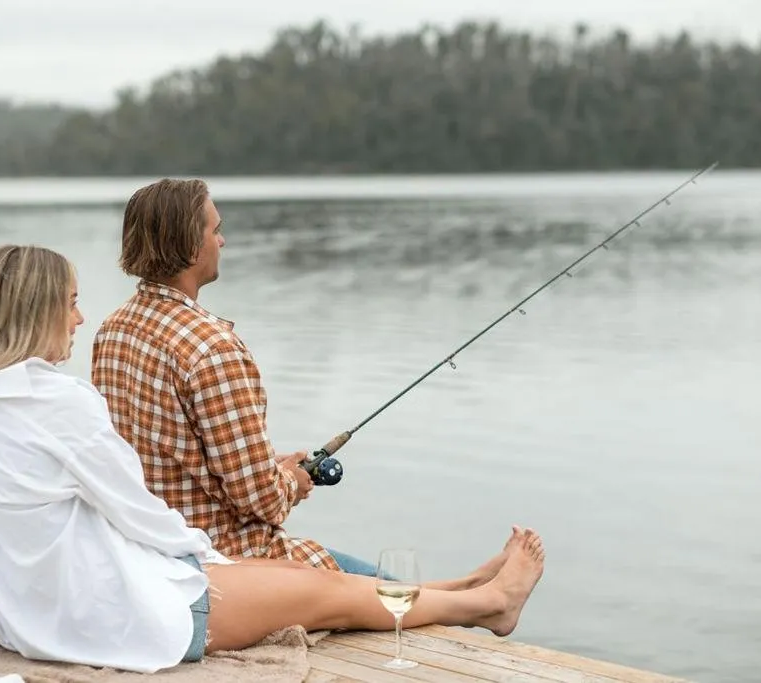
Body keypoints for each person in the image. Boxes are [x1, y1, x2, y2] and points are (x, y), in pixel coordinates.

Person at [0, 244, 545, 672]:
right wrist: (210, 560)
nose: (79, 319)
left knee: (318, 585)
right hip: (128, 615)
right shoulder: (58, 405)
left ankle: (467, 588)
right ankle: (489, 600)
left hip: (38, 622)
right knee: (333, 595)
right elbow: (135, 512)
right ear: (37, 310)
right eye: (71, 303)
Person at [91, 179, 499, 582]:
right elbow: (262, 500)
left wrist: (269, 466)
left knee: (394, 586)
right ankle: (480, 599)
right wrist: (293, 481)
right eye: (215, 230)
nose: (223, 241)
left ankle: (465, 590)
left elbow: (169, 455)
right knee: (390, 588)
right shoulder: (212, 348)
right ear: (189, 245)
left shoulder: (113, 330)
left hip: (150, 549)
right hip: (227, 560)